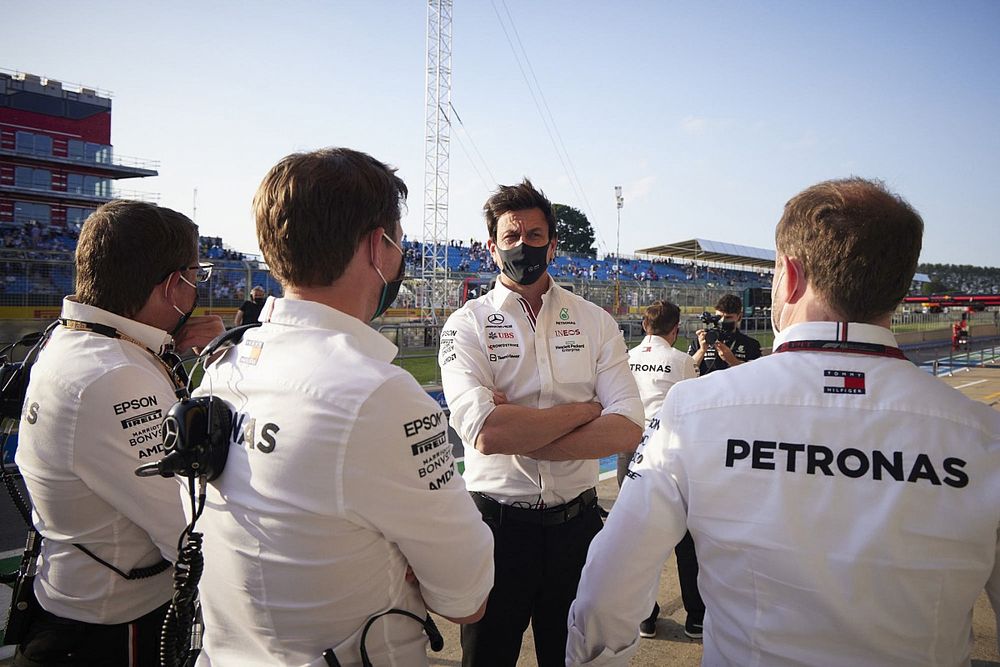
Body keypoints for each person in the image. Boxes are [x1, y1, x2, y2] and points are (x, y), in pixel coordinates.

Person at [567, 177, 1000, 666]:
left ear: (789, 275)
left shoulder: (692, 412)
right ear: (898, 285)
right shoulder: (983, 437)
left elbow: (607, 591)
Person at [191, 147, 494, 666]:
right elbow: (467, 595)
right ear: (379, 247)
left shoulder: (222, 368)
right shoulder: (381, 396)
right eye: (398, 243)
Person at [439, 179, 644, 666]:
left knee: (569, 658)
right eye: (511, 236)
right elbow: (487, 434)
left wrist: (523, 427)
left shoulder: (595, 321)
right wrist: (584, 411)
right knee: (487, 657)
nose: (523, 245)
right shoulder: (465, 324)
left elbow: (628, 428)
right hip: (496, 528)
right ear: (492, 248)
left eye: (534, 235)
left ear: (553, 244)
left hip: (576, 529)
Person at [13, 201, 225, 666]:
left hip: (79, 612)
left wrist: (176, 353)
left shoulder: (79, 343)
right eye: (196, 276)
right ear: (173, 286)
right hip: (111, 632)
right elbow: (192, 527)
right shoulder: (112, 376)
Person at [623, 300, 699, 640]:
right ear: (676, 328)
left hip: (631, 452)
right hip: (671, 454)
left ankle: (645, 616)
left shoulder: (627, 357)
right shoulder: (681, 360)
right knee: (686, 538)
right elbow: (692, 407)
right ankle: (696, 616)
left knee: (640, 538)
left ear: (644, 326)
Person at [688, 293, 762, 376]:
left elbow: (756, 376)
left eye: (728, 317)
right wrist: (701, 351)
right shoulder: (701, 341)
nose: (722, 321)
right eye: (718, 317)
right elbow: (686, 372)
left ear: (739, 317)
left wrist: (733, 361)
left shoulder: (751, 345)